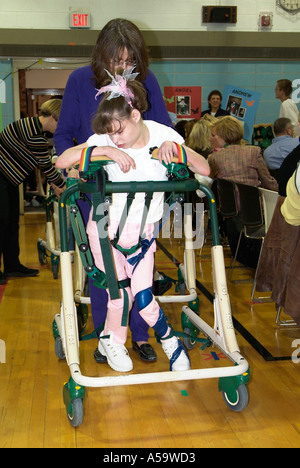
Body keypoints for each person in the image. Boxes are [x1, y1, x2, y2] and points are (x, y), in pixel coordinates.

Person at [55, 68, 210, 372]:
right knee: (119, 298)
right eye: (110, 132)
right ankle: (113, 341)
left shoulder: (163, 133)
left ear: (136, 116)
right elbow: (63, 161)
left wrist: (177, 151)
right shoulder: (106, 140)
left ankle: (169, 342)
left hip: (143, 234)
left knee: (144, 299)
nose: (116, 138)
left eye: (119, 130)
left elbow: (204, 168)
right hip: (104, 229)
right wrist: (102, 150)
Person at [53, 18, 173, 364]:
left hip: (140, 193)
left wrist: (168, 154)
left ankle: (138, 334)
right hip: (99, 193)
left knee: (140, 269)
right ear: (101, 55)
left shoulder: (146, 81)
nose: (122, 67)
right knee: (106, 270)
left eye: (128, 60)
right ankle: (109, 337)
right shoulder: (79, 81)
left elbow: (163, 129)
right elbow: (64, 135)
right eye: (116, 60)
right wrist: (77, 164)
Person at [0, 99, 65, 285]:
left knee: (12, 222)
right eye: (60, 122)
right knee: (1, 222)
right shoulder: (33, 133)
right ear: (53, 118)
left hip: (9, 179)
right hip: (1, 177)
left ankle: (12, 265)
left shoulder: (32, 126)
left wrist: (56, 185)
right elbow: (46, 165)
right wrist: (60, 185)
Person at [207, 116, 278, 268]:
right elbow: (268, 182)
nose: (210, 138)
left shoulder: (214, 158)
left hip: (231, 217)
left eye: (214, 135)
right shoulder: (254, 152)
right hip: (256, 214)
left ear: (223, 136)